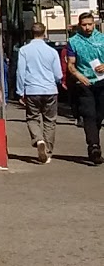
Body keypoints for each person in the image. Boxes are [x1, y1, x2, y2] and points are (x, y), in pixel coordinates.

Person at [15, 22, 63, 163]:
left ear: (31, 33)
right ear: (45, 33)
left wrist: (20, 91)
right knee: (50, 121)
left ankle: (38, 139)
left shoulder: (24, 50)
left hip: (31, 90)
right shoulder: (52, 52)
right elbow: (58, 75)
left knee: (32, 118)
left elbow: (20, 72)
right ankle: (47, 151)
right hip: (50, 90)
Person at [66, 11, 104, 164]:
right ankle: (94, 147)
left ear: (94, 24)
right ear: (79, 25)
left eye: (90, 24)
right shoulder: (74, 41)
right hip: (84, 83)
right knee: (88, 114)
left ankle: (94, 137)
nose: (87, 28)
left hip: (102, 82)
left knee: (99, 115)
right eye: (84, 25)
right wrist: (79, 76)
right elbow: (71, 64)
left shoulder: (102, 39)